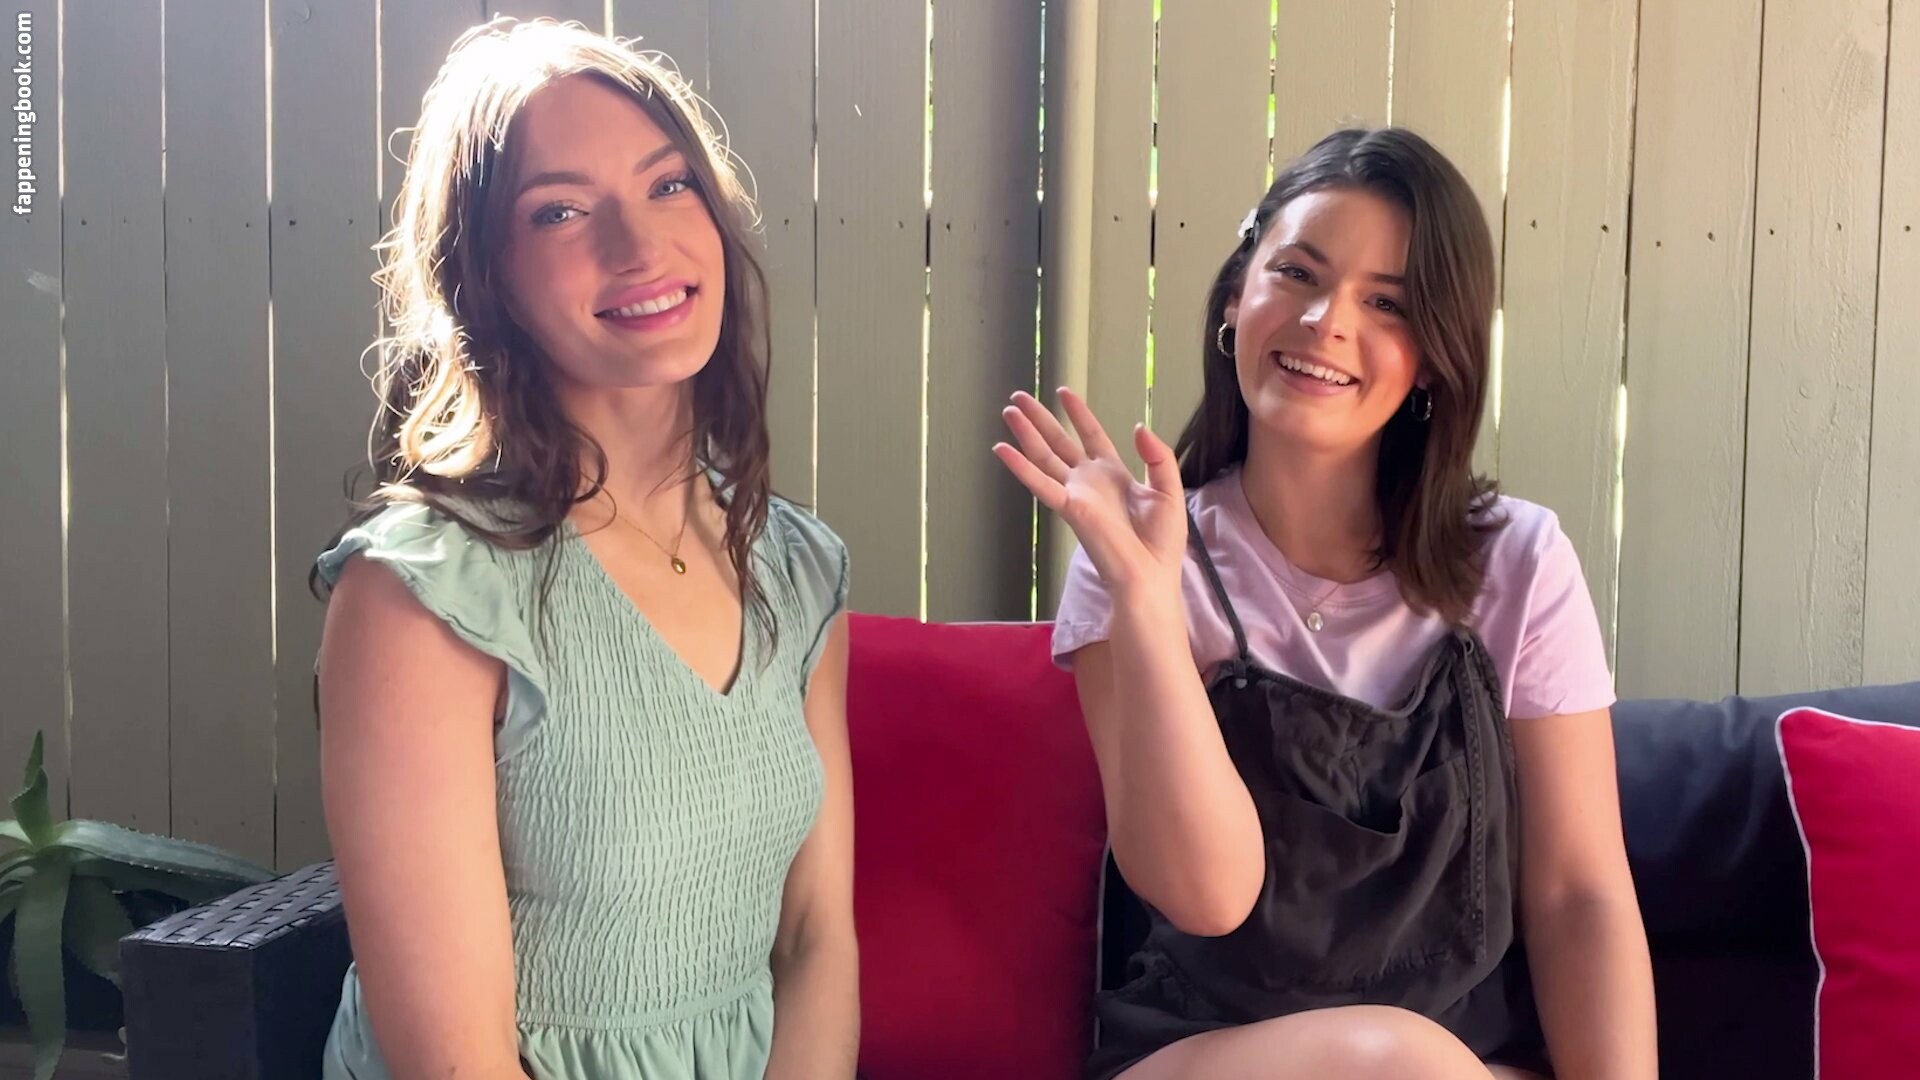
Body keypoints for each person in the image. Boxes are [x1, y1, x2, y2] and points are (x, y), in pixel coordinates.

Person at [995, 127, 1656, 1080]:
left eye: (1385, 302)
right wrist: (1146, 600)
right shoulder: (1134, 555)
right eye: (1297, 274)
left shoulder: (1519, 562)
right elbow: (1205, 895)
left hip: (1457, 1066)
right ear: (1237, 297)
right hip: (1202, 1056)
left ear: (1433, 356)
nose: (1325, 321)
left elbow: (1579, 896)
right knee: (1393, 1061)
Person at [310, 18, 857, 1080]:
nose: (639, 247)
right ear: (485, 278)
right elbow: (456, 1066)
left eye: (668, 186)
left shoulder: (796, 567)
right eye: (559, 211)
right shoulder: (418, 595)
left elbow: (815, 941)